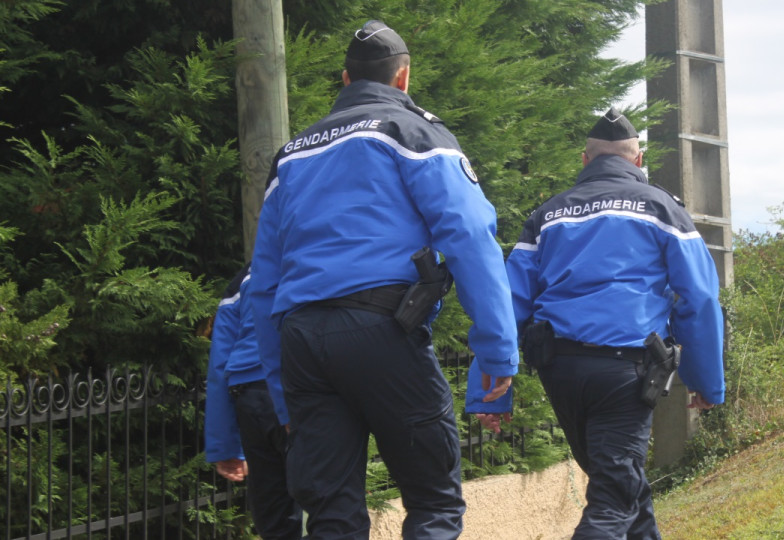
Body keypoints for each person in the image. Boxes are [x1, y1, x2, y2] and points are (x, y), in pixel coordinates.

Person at [247, 20, 519, 539]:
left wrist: (283, 395)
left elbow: (263, 286)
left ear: (345, 80)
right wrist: (498, 352)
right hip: (382, 330)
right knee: (434, 501)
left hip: (301, 341)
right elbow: (469, 237)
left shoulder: (291, 157)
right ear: (403, 79)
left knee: (330, 515)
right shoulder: (415, 132)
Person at [481, 108, 726, 539]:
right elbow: (699, 298)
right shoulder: (662, 209)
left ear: (585, 159)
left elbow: (506, 304)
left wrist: (486, 393)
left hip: (562, 371)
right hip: (624, 373)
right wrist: (705, 379)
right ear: (638, 159)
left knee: (622, 483)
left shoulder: (547, 216)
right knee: (613, 498)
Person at [204, 263, 302, 539]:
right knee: (327, 507)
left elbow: (220, 363)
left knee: (274, 518)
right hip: (300, 388)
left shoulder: (245, 277)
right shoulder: (322, 250)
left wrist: (225, 445)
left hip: (251, 395)